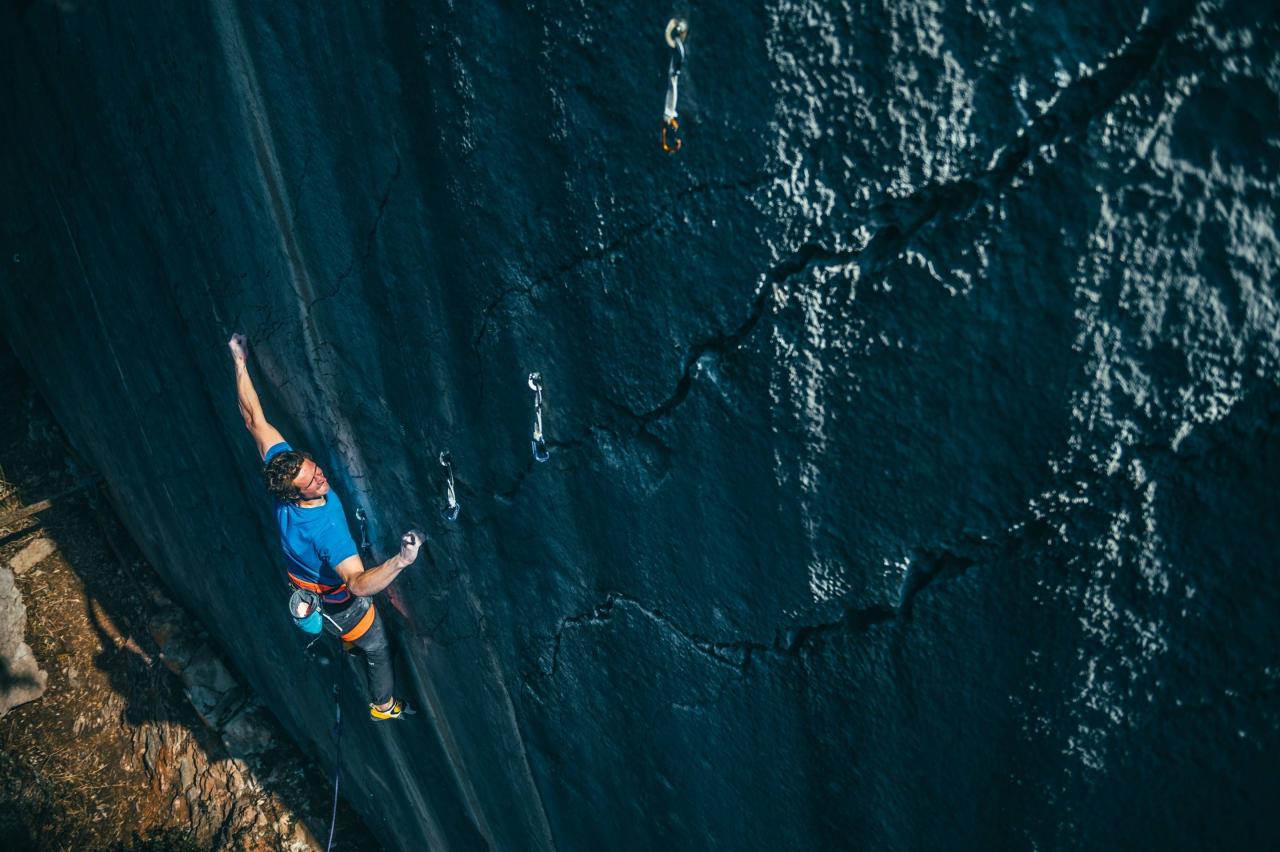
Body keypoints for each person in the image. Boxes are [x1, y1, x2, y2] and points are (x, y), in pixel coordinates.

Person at [228, 333, 422, 721]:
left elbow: (252, 418)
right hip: (341, 606)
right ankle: (383, 705)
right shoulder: (326, 530)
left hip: (305, 587)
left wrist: (239, 362)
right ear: (294, 494)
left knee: (352, 635)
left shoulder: (282, 471)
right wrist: (400, 561)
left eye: (314, 469)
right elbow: (356, 584)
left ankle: (346, 643)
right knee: (377, 646)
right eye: (312, 482)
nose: (320, 478)